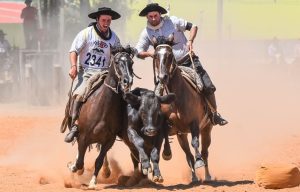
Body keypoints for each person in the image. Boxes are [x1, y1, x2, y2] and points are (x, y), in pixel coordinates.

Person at [135, 3, 228, 126]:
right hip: (166, 69)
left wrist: (190, 41)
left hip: (188, 60)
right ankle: (158, 122)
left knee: (207, 85)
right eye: (150, 16)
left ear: (160, 14)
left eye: (155, 15)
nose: (153, 19)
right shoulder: (146, 32)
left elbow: (193, 26)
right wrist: (150, 54)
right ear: (147, 17)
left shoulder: (173, 21)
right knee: (157, 94)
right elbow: (138, 52)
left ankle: (214, 114)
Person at [64, 7, 122, 143]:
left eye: (109, 20)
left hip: (106, 73)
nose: (106, 22)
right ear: (97, 19)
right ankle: (75, 125)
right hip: (87, 72)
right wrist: (73, 67)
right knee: (78, 94)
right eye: (103, 20)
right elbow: (73, 51)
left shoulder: (114, 38)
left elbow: (118, 54)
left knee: (122, 96)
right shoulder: (86, 33)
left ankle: (122, 125)